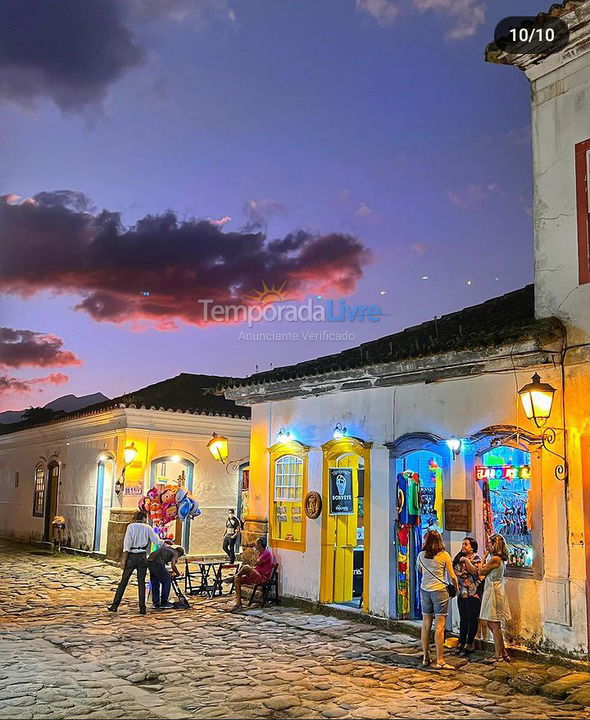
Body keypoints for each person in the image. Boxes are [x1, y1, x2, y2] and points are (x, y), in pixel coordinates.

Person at [462, 533, 511, 664]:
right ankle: (503, 653)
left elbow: (481, 571)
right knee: (493, 623)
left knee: (494, 623)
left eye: (490, 542)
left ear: (495, 544)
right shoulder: (497, 558)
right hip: (493, 589)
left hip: (493, 591)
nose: (488, 544)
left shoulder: (495, 559)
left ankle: (497, 655)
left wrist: (483, 557)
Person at [108, 511, 164, 614]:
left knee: (124, 581)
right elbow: (157, 541)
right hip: (142, 556)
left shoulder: (131, 527)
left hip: (131, 556)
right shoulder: (148, 528)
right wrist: (166, 543)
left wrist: (124, 559)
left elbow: (127, 543)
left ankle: (115, 605)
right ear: (144, 518)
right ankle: (142, 608)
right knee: (141, 582)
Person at [417, 529, 458, 670]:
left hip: (425, 590)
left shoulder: (421, 555)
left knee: (426, 624)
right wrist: (456, 588)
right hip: (440, 591)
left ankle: (425, 657)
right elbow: (452, 576)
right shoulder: (444, 556)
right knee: (439, 626)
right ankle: (440, 659)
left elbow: (421, 571)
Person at [452, 536, 482, 657]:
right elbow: (455, 572)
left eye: (466, 544)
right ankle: (461, 641)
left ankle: (470, 643)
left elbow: (475, 572)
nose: (463, 546)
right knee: (463, 618)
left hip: (473, 593)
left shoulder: (476, 558)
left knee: (472, 618)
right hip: (462, 592)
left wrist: (466, 560)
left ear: (472, 547)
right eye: (463, 544)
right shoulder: (458, 558)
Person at [231, 536, 273, 610]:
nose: (255, 544)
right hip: (255, 575)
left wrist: (254, 553)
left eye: (256, 543)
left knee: (246, 567)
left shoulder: (266, 553)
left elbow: (255, 563)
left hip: (261, 577)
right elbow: (255, 564)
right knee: (237, 579)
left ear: (259, 544)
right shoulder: (260, 553)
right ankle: (238, 603)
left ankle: (233, 576)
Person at [148, 544, 184, 609]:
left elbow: (162, 569)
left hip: (149, 561)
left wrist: (168, 573)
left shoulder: (168, 549)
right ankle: (164, 602)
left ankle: (155, 603)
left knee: (155, 583)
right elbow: (173, 565)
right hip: (157, 562)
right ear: (179, 553)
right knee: (167, 581)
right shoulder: (175, 553)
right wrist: (178, 574)